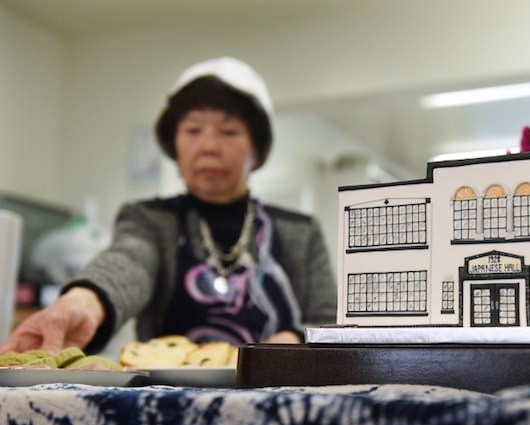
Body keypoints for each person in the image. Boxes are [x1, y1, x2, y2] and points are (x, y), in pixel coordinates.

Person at [0, 57, 337, 354]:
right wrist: (83, 301)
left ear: (257, 149)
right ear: (174, 145)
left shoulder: (300, 231)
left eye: (229, 131)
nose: (208, 146)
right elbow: (128, 261)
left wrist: (296, 338)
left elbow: (330, 320)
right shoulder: (149, 219)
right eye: (192, 130)